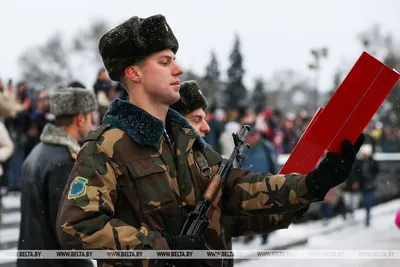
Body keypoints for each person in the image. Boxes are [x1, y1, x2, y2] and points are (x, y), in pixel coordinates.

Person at [57, 14, 364, 267]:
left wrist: (313, 183)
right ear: (134, 72)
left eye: (174, 60)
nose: (178, 69)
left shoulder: (184, 140)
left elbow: (236, 190)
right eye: (164, 62)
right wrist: (166, 249)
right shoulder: (107, 145)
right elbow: (77, 227)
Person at [170, 80, 309, 251]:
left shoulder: (205, 166)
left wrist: (290, 205)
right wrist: (169, 248)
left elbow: (229, 220)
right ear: (176, 124)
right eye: (196, 119)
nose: (206, 127)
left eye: (204, 119)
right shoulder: (165, 169)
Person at [17, 88, 97, 267]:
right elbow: (69, 233)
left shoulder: (38, 152)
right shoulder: (64, 162)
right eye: (90, 118)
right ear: (79, 118)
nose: (91, 125)